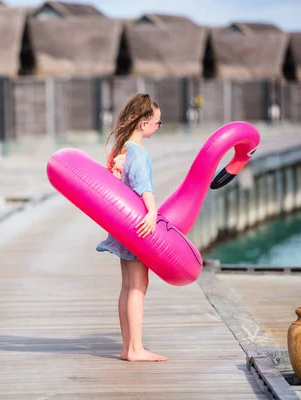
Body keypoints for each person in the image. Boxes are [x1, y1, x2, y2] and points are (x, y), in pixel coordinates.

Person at [96, 93, 168, 362]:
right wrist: (152, 212)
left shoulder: (122, 149)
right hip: (137, 226)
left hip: (122, 227)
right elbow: (142, 185)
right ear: (143, 124)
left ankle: (128, 347)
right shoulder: (137, 152)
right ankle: (136, 349)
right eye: (157, 123)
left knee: (127, 285)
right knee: (139, 285)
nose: (158, 127)